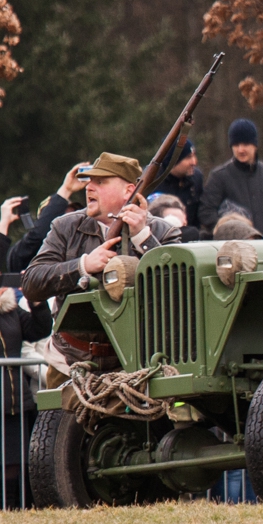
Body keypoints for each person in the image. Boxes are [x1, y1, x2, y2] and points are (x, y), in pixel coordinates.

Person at [23, 154, 182, 387]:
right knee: (52, 425)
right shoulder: (65, 226)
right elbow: (32, 284)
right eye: (89, 181)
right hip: (70, 363)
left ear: (129, 190)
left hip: (137, 364)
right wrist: (83, 266)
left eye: (101, 181)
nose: (89, 187)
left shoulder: (162, 231)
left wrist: (142, 238)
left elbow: (178, 287)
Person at [0, 284, 51, 506]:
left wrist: (37, 302)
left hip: (14, 402)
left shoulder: (9, 308)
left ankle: (11, 512)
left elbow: (39, 330)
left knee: (15, 465)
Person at [198, 119, 263, 236]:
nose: (240, 149)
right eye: (236, 145)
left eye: (245, 144)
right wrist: (228, 230)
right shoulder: (219, 177)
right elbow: (206, 212)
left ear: (255, 145)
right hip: (236, 244)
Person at [6, 164, 87, 274]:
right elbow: (39, 235)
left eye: (73, 214)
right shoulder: (21, 254)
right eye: (62, 216)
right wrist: (65, 190)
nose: (69, 221)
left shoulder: (87, 244)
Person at [153, 139, 204, 231]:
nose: (194, 162)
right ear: (173, 161)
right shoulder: (152, 182)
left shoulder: (196, 178)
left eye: (194, 156)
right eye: (188, 157)